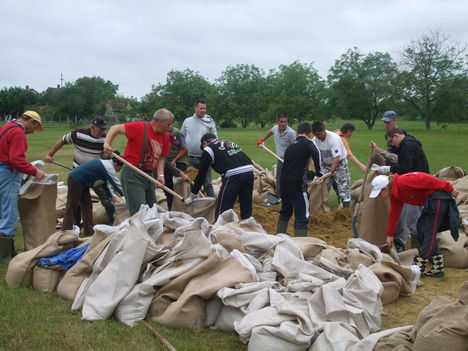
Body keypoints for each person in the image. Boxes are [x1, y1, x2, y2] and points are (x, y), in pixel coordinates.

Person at [369, 173, 459, 277]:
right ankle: (437, 268)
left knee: (428, 234)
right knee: (424, 232)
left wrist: (450, 188)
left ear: (385, 188)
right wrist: (390, 234)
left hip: (438, 199)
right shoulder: (395, 194)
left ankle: (418, 268)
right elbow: (394, 214)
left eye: (379, 193)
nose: (379, 197)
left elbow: (428, 179)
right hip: (431, 201)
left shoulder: (404, 182)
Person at [44, 117, 117, 223]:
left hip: (96, 176)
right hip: (79, 175)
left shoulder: (104, 140)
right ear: (93, 127)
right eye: (101, 129)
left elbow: (105, 158)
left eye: (104, 129)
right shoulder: (78, 134)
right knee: (76, 200)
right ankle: (76, 224)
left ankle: (114, 221)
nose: (103, 132)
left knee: (107, 199)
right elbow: (63, 141)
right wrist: (50, 154)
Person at [104, 109, 173, 215]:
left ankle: (150, 230)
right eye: (168, 124)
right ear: (159, 121)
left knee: (152, 210)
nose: (170, 127)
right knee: (139, 212)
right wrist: (107, 143)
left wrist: (161, 175)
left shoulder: (165, 137)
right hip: (133, 174)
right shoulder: (140, 127)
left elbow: (162, 158)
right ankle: (139, 230)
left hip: (149, 176)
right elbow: (115, 128)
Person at [373, 127, 430, 252]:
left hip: (416, 187)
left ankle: (420, 249)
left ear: (397, 136)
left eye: (391, 141)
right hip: (416, 185)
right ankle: (420, 246)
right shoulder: (408, 144)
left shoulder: (407, 146)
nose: (392, 144)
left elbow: (405, 168)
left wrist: (389, 169)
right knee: (414, 218)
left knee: (414, 219)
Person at [0, 111, 45, 263]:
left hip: (2, 171)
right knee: (10, 214)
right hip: (7, 174)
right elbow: (16, 160)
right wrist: (35, 171)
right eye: (35, 127)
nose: (33, 132)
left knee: (2, 211)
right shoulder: (18, 133)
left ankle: (9, 251)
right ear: (31, 122)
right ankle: (4, 256)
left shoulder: (6, 127)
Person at [184, 133, 254, 220]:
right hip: (249, 171)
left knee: (222, 211)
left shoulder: (208, 149)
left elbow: (202, 175)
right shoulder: (229, 143)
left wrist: (192, 195)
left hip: (233, 174)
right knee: (246, 207)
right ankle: (248, 226)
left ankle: (220, 230)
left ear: (204, 143)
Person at [62, 153, 125, 236]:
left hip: (83, 183)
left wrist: (111, 196)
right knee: (72, 204)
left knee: (87, 205)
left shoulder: (106, 166)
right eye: (119, 168)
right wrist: (125, 195)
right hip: (75, 180)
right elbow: (116, 184)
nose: (118, 171)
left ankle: (89, 231)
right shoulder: (109, 167)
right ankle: (67, 229)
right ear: (116, 164)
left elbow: (105, 185)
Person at [276, 122, 321, 237]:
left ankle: (279, 238)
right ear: (310, 133)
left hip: (284, 184)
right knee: (302, 215)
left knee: (285, 212)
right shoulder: (309, 143)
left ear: (297, 133)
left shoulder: (290, 146)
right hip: (297, 186)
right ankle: (300, 245)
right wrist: (318, 172)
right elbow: (316, 153)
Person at [180, 100, 217, 198]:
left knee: (207, 183)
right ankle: (192, 204)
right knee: (190, 183)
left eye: (205, 108)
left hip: (205, 158)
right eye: (201, 108)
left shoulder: (209, 121)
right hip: (190, 158)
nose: (203, 110)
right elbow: (181, 137)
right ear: (195, 108)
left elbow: (215, 139)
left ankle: (213, 204)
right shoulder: (187, 121)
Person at [312, 121, 351, 207]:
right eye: (315, 135)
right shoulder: (315, 140)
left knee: (343, 187)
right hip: (326, 164)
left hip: (340, 163)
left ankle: (346, 209)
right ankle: (322, 208)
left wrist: (331, 172)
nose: (317, 137)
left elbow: (336, 159)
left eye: (319, 134)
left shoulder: (334, 138)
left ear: (323, 131)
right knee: (322, 185)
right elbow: (312, 156)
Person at [257, 112, 296, 197]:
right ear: (277, 122)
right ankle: (280, 197)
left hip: (290, 160)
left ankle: (290, 197)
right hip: (280, 159)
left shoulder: (291, 133)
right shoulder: (275, 128)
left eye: (285, 122)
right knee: (279, 180)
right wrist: (262, 140)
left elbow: (296, 147)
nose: (284, 124)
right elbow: (270, 132)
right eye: (281, 122)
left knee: (290, 180)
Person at [164, 126, 189, 210]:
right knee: (168, 186)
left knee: (182, 184)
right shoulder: (160, 132)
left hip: (179, 160)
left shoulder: (177, 133)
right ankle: (170, 207)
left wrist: (175, 160)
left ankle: (185, 205)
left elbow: (185, 148)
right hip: (166, 162)